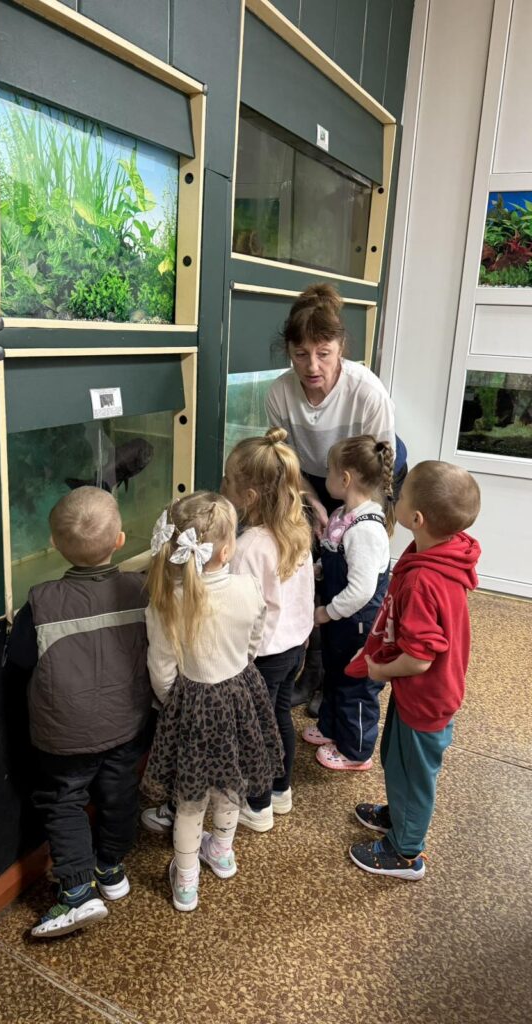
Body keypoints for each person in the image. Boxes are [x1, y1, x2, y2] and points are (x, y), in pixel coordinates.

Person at [5, 486, 151, 938]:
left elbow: (20, 662)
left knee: (64, 801)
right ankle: (111, 868)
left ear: (52, 543)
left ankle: (76, 891)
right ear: (120, 540)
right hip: (126, 723)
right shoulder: (140, 589)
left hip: (64, 734)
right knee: (120, 792)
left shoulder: (40, 602)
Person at [140, 492, 283, 912]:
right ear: (225, 551)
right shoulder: (247, 587)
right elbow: (254, 640)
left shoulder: (165, 600)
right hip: (240, 696)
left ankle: (186, 881)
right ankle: (221, 852)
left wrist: (175, 705)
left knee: (189, 800)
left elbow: (161, 669)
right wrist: (238, 668)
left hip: (192, 707)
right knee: (229, 783)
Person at [346, 461, 481, 879]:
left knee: (414, 773)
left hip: (425, 693)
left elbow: (421, 657)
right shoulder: (443, 550)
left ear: (417, 519)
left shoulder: (424, 580)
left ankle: (406, 851)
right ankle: (400, 815)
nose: (396, 498)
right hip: (421, 691)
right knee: (396, 758)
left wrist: (379, 670)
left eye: (401, 496)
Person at [221, 427, 314, 831]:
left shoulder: (248, 547)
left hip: (262, 655)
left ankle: (257, 806)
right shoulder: (297, 531)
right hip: (293, 646)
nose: (222, 485)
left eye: (227, 481)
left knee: (256, 729)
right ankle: (280, 790)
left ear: (249, 496)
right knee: (279, 717)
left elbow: (237, 609)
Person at [265, 282, 407, 534]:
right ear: (288, 350)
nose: (312, 367)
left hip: (373, 474)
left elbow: (379, 469)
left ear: (340, 348)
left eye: (323, 354)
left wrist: (350, 517)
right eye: (300, 354)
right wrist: (314, 502)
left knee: (358, 541)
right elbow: (288, 464)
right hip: (316, 478)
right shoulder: (279, 393)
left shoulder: (368, 392)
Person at [301, 436, 393, 770]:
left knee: (355, 685)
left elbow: (361, 590)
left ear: (345, 479)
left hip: (358, 625)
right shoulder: (343, 516)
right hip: (342, 622)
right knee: (335, 675)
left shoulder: (365, 531)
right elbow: (338, 559)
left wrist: (326, 612)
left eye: (329, 471)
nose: (325, 476)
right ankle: (331, 727)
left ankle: (356, 751)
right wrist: (319, 569)